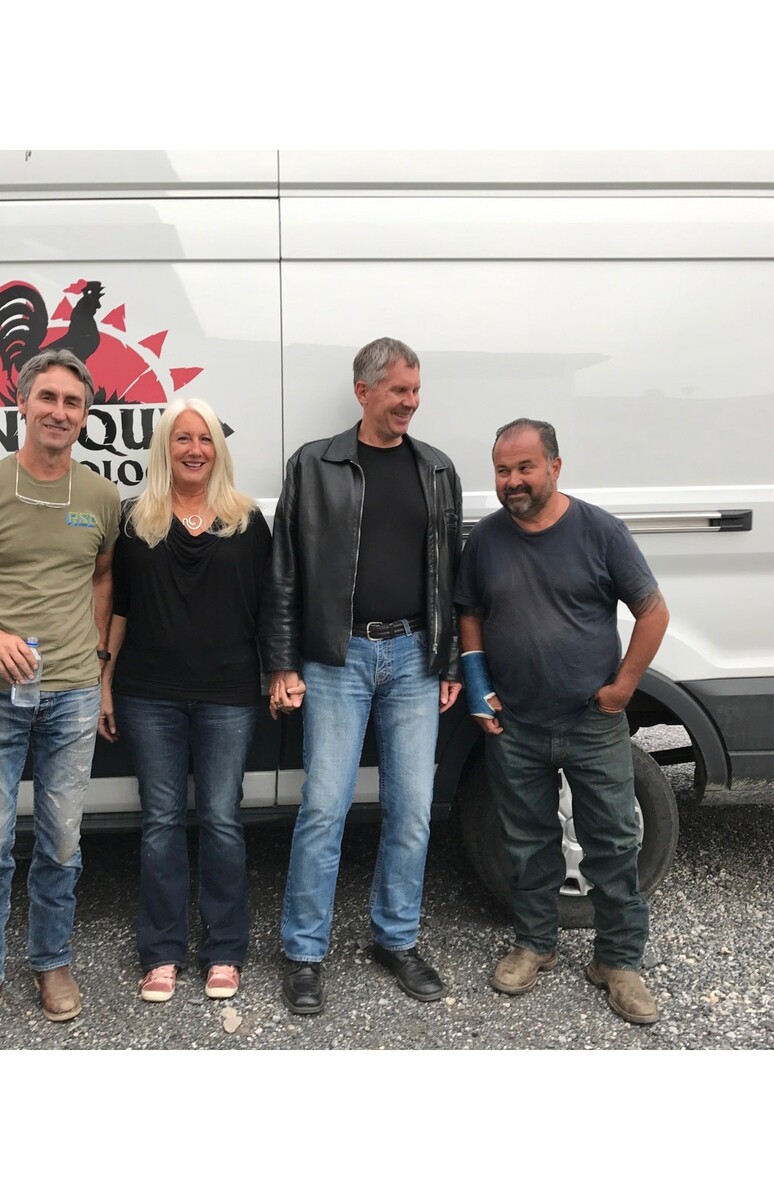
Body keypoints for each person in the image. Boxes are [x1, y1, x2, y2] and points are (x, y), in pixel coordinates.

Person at [0, 347, 120, 1048]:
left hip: (71, 693)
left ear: (85, 416)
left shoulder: (99, 497)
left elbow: (102, 577)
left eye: (73, 403)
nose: (59, 412)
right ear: (23, 403)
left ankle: (51, 962)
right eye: (48, 398)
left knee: (62, 842)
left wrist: (97, 661)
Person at [261, 336, 463, 1015]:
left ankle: (396, 940)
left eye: (415, 389)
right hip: (335, 658)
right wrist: (282, 662)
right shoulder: (314, 464)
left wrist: (448, 658)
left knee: (412, 808)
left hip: (413, 657)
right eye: (399, 390)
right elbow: (284, 570)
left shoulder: (436, 469)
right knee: (324, 807)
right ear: (363, 391)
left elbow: (450, 575)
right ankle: (303, 953)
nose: (410, 402)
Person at [454, 418, 670, 1025]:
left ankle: (618, 962)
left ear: (554, 466)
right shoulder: (487, 539)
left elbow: (653, 611)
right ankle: (535, 944)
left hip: (590, 722)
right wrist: (478, 686)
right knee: (527, 843)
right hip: (515, 723)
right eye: (503, 470)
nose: (513, 481)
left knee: (614, 843)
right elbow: (470, 615)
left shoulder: (600, 531)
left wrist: (623, 687)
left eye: (525, 467)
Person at [98, 398, 271, 1003]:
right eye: (182, 438)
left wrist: (280, 672)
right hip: (149, 694)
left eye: (204, 439)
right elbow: (118, 609)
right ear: (164, 448)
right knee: (161, 822)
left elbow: (270, 607)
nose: (194, 449)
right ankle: (162, 951)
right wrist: (103, 682)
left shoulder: (247, 520)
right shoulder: (134, 520)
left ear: (217, 449)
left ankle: (225, 949)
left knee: (222, 819)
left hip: (229, 694)